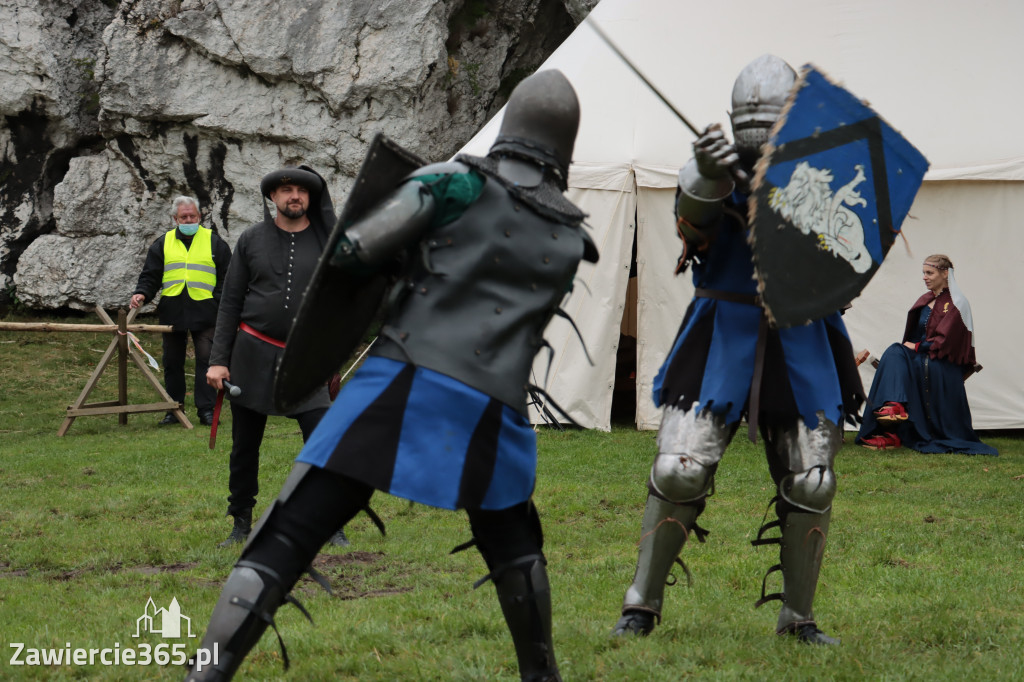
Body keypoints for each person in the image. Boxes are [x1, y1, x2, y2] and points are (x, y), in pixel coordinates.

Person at [185, 69, 597, 682]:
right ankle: (543, 676)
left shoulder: (452, 182)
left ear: (508, 126)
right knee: (517, 549)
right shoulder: (571, 235)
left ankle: (208, 672)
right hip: (495, 406)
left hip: (405, 381)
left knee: (288, 533)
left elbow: (351, 252)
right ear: (565, 144)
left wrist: (409, 256)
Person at [610, 55, 864, 645]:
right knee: (678, 470)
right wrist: (706, 173)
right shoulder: (711, 170)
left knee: (813, 480)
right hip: (722, 329)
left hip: (801, 331)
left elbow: (846, 251)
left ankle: (797, 617)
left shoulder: (821, 176)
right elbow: (692, 224)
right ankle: (641, 603)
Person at [206, 166, 348, 548]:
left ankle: (330, 523)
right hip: (251, 356)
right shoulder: (251, 239)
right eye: (286, 190)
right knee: (245, 447)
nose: (295, 196)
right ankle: (240, 524)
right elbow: (230, 302)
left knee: (321, 442)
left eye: (302, 190)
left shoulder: (328, 242)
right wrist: (218, 359)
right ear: (273, 197)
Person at [857, 255, 997, 455]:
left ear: (945, 273)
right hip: (920, 357)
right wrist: (911, 349)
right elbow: (912, 335)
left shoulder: (958, 302)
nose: (924, 277)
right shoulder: (926, 299)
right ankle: (892, 411)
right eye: (923, 273)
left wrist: (916, 348)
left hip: (942, 362)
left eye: (929, 273)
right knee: (894, 351)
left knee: (902, 355)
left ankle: (895, 425)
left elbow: (945, 340)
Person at [130, 196, 231, 426]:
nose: (188, 220)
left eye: (192, 216)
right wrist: (141, 294)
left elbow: (228, 277)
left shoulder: (215, 242)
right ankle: (173, 410)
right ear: (175, 218)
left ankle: (206, 411)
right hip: (173, 310)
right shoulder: (162, 243)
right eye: (184, 217)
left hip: (206, 311)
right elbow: (151, 275)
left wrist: (218, 301)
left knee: (207, 361)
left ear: (200, 217)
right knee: (172, 362)